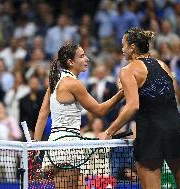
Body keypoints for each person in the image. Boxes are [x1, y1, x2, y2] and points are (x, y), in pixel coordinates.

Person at [98, 28, 180, 189]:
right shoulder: (163, 65)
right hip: (176, 130)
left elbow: (133, 106)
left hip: (151, 133)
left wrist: (108, 132)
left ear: (132, 47)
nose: (122, 50)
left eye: (123, 45)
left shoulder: (128, 70)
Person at [34, 43, 124, 189]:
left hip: (62, 145)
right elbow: (99, 110)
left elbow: (43, 113)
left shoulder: (55, 81)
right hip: (66, 149)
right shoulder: (73, 83)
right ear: (70, 62)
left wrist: (36, 144)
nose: (87, 59)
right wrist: (122, 93)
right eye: (81, 56)